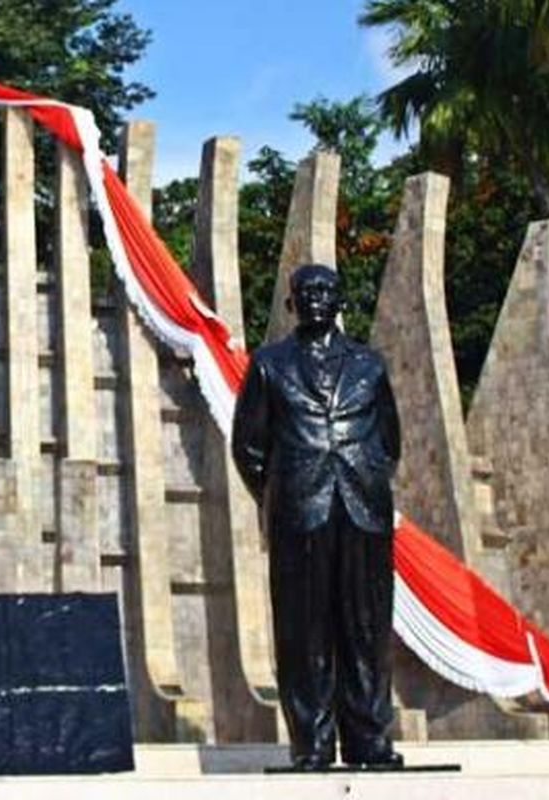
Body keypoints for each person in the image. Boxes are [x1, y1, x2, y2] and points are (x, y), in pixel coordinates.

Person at [231, 264, 403, 770]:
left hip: (362, 508)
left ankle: (369, 740)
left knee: (366, 628)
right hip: (299, 510)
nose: (315, 299)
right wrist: (280, 494)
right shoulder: (268, 364)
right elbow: (248, 447)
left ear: (340, 300)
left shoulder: (370, 365)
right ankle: (312, 742)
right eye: (305, 292)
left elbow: (389, 441)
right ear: (291, 304)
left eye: (325, 290)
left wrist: (368, 476)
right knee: (303, 631)